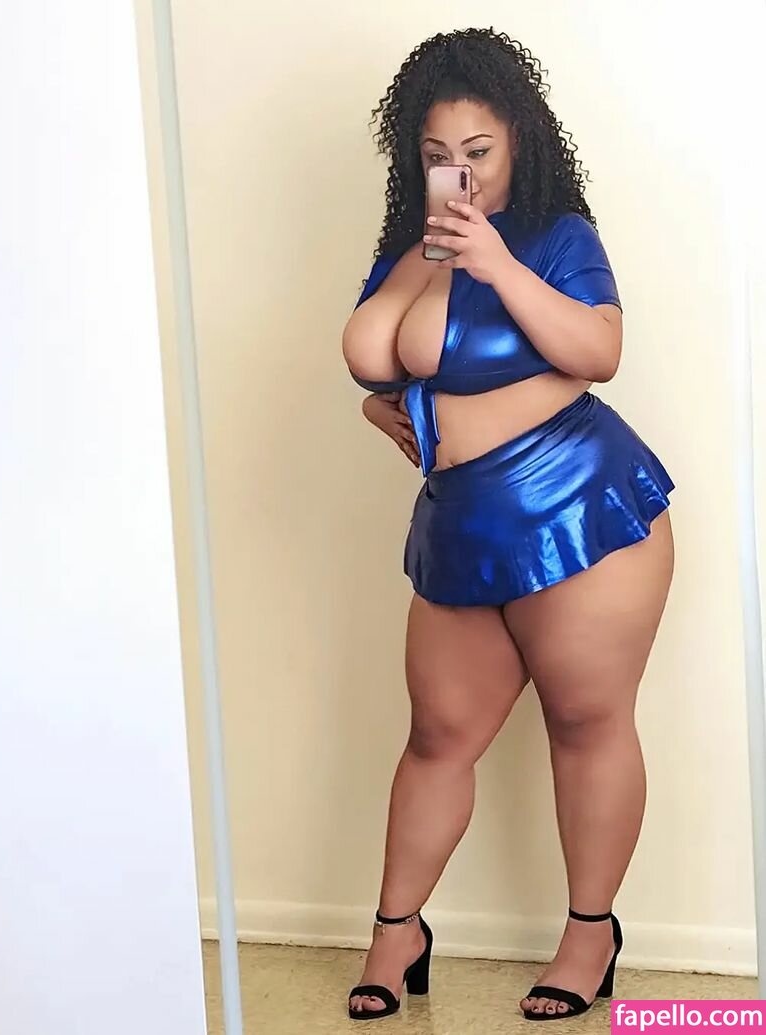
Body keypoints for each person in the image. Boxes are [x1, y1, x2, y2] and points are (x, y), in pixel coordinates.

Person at [341, 27, 675, 1023]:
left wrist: (494, 260)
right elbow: (374, 359)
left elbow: (598, 352)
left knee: (586, 722)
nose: (461, 172)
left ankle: (590, 936)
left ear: (519, 139)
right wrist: (391, 396)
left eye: (478, 151)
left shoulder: (557, 236)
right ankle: (397, 931)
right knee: (438, 735)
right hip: (462, 525)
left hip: (581, 510)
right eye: (438, 153)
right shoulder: (413, 251)